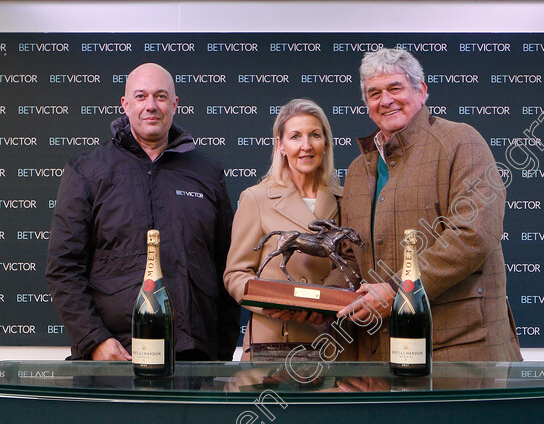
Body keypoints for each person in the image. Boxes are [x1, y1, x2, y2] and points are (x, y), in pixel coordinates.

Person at [333, 48, 522, 362]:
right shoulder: (357, 170)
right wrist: (316, 302)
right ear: (367, 105)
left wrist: (396, 290)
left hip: (460, 352)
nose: (386, 100)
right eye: (374, 93)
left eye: (395, 88)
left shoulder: (461, 141)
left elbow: (473, 235)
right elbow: (351, 256)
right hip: (380, 354)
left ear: (421, 91)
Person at [46, 63, 239, 362]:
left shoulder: (208, 173)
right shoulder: (87, 171)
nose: (151, 106)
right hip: (116, 356)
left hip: (192, 359)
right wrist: (94, 340)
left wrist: (219, 356)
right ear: (125, 104)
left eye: (161, 97)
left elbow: (227, 269)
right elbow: (63, 268)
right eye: (141, 96)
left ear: (174, 104)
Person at [224, 98, 356, 360]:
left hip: (334, 342)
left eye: (315, 135)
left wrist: (325, 299)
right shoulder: (256, 198)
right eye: (295, 137)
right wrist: (271, 303)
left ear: (326, 144)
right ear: (280, 145)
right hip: (273, 343)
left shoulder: (347, 199)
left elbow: (352, 262)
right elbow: (236, 274)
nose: (306, 146)